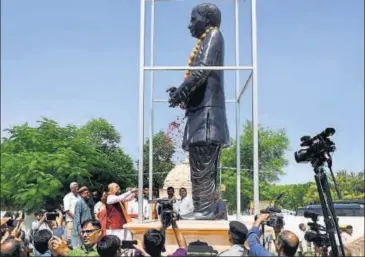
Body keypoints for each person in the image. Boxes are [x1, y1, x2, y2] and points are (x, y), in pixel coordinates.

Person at [166, 2, 230, 220]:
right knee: (200, 168)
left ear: (208, 20)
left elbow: (201, 71)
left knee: (202, 168)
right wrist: (183, 91)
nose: (190, 25)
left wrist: (179, 94)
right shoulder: (209, 38)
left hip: (207, 117)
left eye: (194, 19)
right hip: (203, 114)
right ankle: (204, 209)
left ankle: (204, 211)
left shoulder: (214, 35)